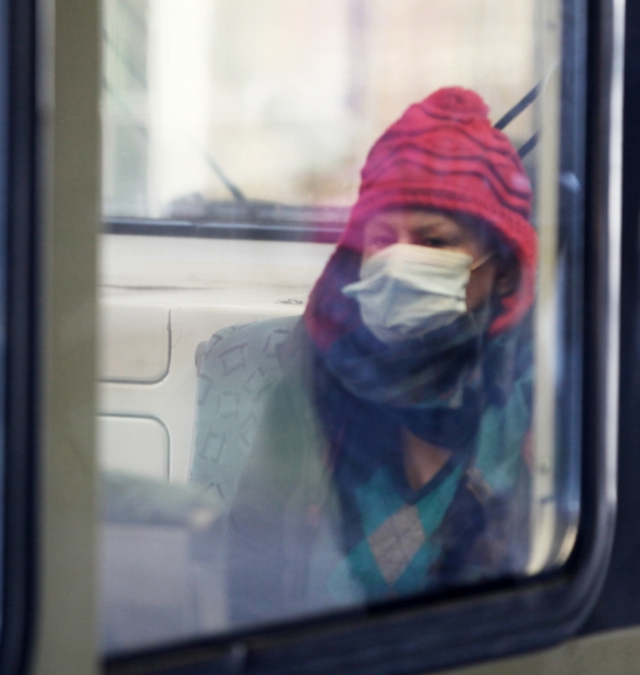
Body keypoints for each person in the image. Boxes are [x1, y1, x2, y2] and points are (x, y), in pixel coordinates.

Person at [224, 86, 538, 626]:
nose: (399, 261)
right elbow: (248, 581)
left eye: (433, 242)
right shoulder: (310, 380)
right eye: (382, 238)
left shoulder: (536, 400)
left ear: (502, 269)